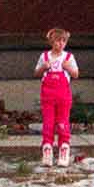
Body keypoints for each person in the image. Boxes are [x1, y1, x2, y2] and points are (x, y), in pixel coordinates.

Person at [33, 27, 79, 166]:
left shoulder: (68, 57)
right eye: (58, 41)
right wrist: (44, 67)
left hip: (63, 96)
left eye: (63, 41)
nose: (60, 44)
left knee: (62, 123)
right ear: (51, 42)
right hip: (48, 96)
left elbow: (76, 74)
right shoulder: (44, 57)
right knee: (48, 123)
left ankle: (64, 149)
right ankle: (47, 149)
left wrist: (67, 67)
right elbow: (36, 73)